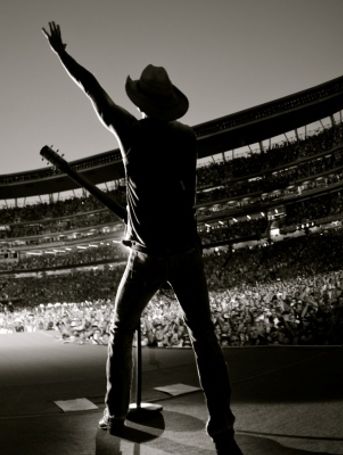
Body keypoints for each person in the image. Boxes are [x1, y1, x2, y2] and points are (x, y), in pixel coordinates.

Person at [42, 21, 241, 454]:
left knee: (120, 329)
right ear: (171, 104)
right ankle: (223, 428)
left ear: (142, 102)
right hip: (186, 250)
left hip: (148, 256)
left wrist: (61, 53)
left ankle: (114, 413)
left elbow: (92, 88)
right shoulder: (187, 138)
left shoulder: (130, 134)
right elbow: (183, 197)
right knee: (203, 337)